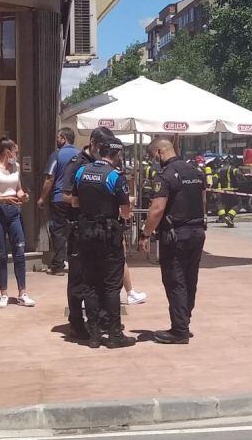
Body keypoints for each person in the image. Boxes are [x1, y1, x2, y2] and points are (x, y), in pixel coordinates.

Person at [139, 137, 207, 344]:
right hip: (197, 232)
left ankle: (179, 331)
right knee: (190, 279)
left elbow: (157, 209)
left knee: (175, 280)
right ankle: (184, 322)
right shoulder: (195, 172)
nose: (154, 160)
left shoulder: (166, 175)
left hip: (176, 235)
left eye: (153, 156)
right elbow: (203, 201)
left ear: (160, 152)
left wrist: (145, 234)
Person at [71, 136, 134, 348]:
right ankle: (115, 334)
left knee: (89, 284)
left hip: (86, 234)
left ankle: (94, 334)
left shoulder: (82, 171)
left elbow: (74, 201)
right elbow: (125, 213)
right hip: (108, 237)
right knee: (111, 286)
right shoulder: (115, 176)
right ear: (116, 155)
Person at [59, 126, 115, 337]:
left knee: (101, 277)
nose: (105, 150)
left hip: (100, 232)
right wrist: (86, 202)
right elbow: (64, 195)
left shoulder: (106, 164)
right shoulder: (78, 163)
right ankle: (76, 321)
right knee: (77, 277)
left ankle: (99, 319)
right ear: (93, 143)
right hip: (79, 229)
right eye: (102, 146)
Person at [0, 137, 34, 308]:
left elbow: (17, 189)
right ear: (7, 152)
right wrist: (3, 198)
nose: (16, 156)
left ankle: (22, 293)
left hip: (14, 212)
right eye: (15, 152)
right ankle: (3, 293)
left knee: (19, 250)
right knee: (1, 254)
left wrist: (22, 195)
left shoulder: (15, 167)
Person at [38, 127, 81, 275]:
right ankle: (75, 262)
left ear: (63, 138)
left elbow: (50, 178)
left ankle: (58, 265)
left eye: (58, 137)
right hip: (75, 200)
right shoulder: (80, 155)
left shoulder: (57, 154)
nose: (56, 140)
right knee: (74, 229)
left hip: (58, 198)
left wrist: (42, 198)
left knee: (57, 231)